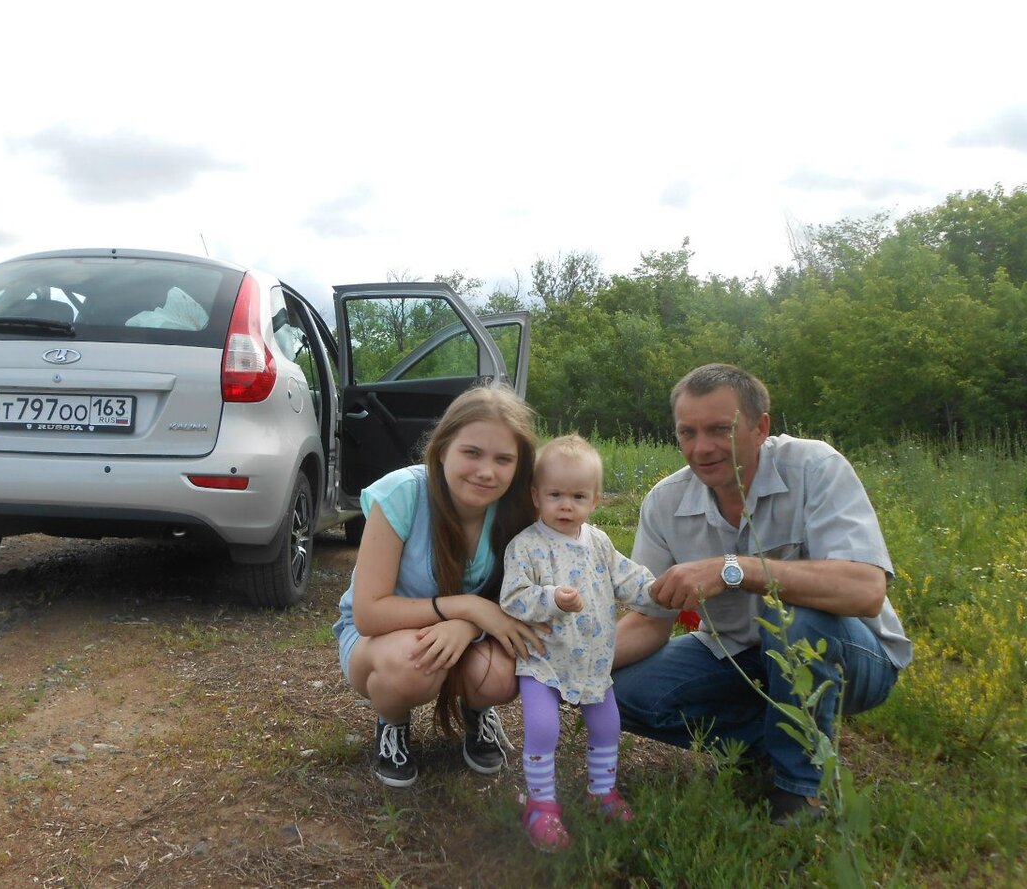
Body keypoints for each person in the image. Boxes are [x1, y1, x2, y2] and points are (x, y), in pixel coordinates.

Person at [611, 363, 913, 824]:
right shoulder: (665, 502)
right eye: (687, 432)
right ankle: (776, 741)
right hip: (738, 657)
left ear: (761, 427)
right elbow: (652, 619)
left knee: (792, 618)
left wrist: (737, 570)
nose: (701, 448)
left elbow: (866, 590)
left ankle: (801, 793)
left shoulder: (816, 467)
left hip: (855, 656)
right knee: (618, 693)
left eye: (719, 429)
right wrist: (576, 661)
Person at [333, 383, 548, 788]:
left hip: (468, 634)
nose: (487, 471)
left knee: (500, 676)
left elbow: (518, 601)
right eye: (472, 452)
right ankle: (393, 723)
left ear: (519, 466)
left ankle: (476, 711)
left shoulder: (517, 510)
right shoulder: (402, 494)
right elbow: (369, 613)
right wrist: (466, 606)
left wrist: (468, 623)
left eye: (504, 459)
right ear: (443, 447)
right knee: (410, 666)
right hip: (380, 640)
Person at [501, 434, 671, 850]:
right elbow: (513, 597)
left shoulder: (599, 543)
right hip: (544, 659)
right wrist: (550, 599)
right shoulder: (526, 546)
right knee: (543, 728)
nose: (565, 505)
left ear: (595, 500)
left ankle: (603, 793)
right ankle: (541, 805)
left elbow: (628, 579)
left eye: (577, 496)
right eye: (555, 494)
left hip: (593, 660)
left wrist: (661, 593)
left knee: (607, 725)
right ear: (536, 495)